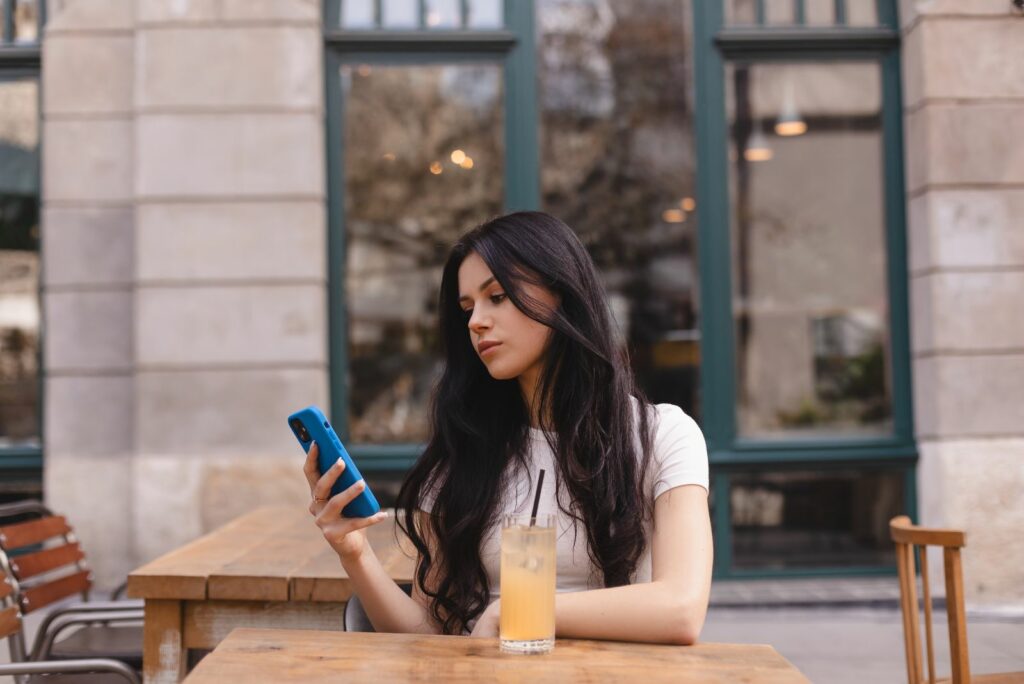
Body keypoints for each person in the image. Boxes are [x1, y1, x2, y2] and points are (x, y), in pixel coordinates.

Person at [303, 211, 712, 644]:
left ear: (561, 294)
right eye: (467, 308)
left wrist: (515, 611)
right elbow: (428, 633)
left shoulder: (662, 436)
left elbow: (681, 610)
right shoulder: (464, 449)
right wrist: (355, 554)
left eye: (496, 296)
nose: (476, 321)